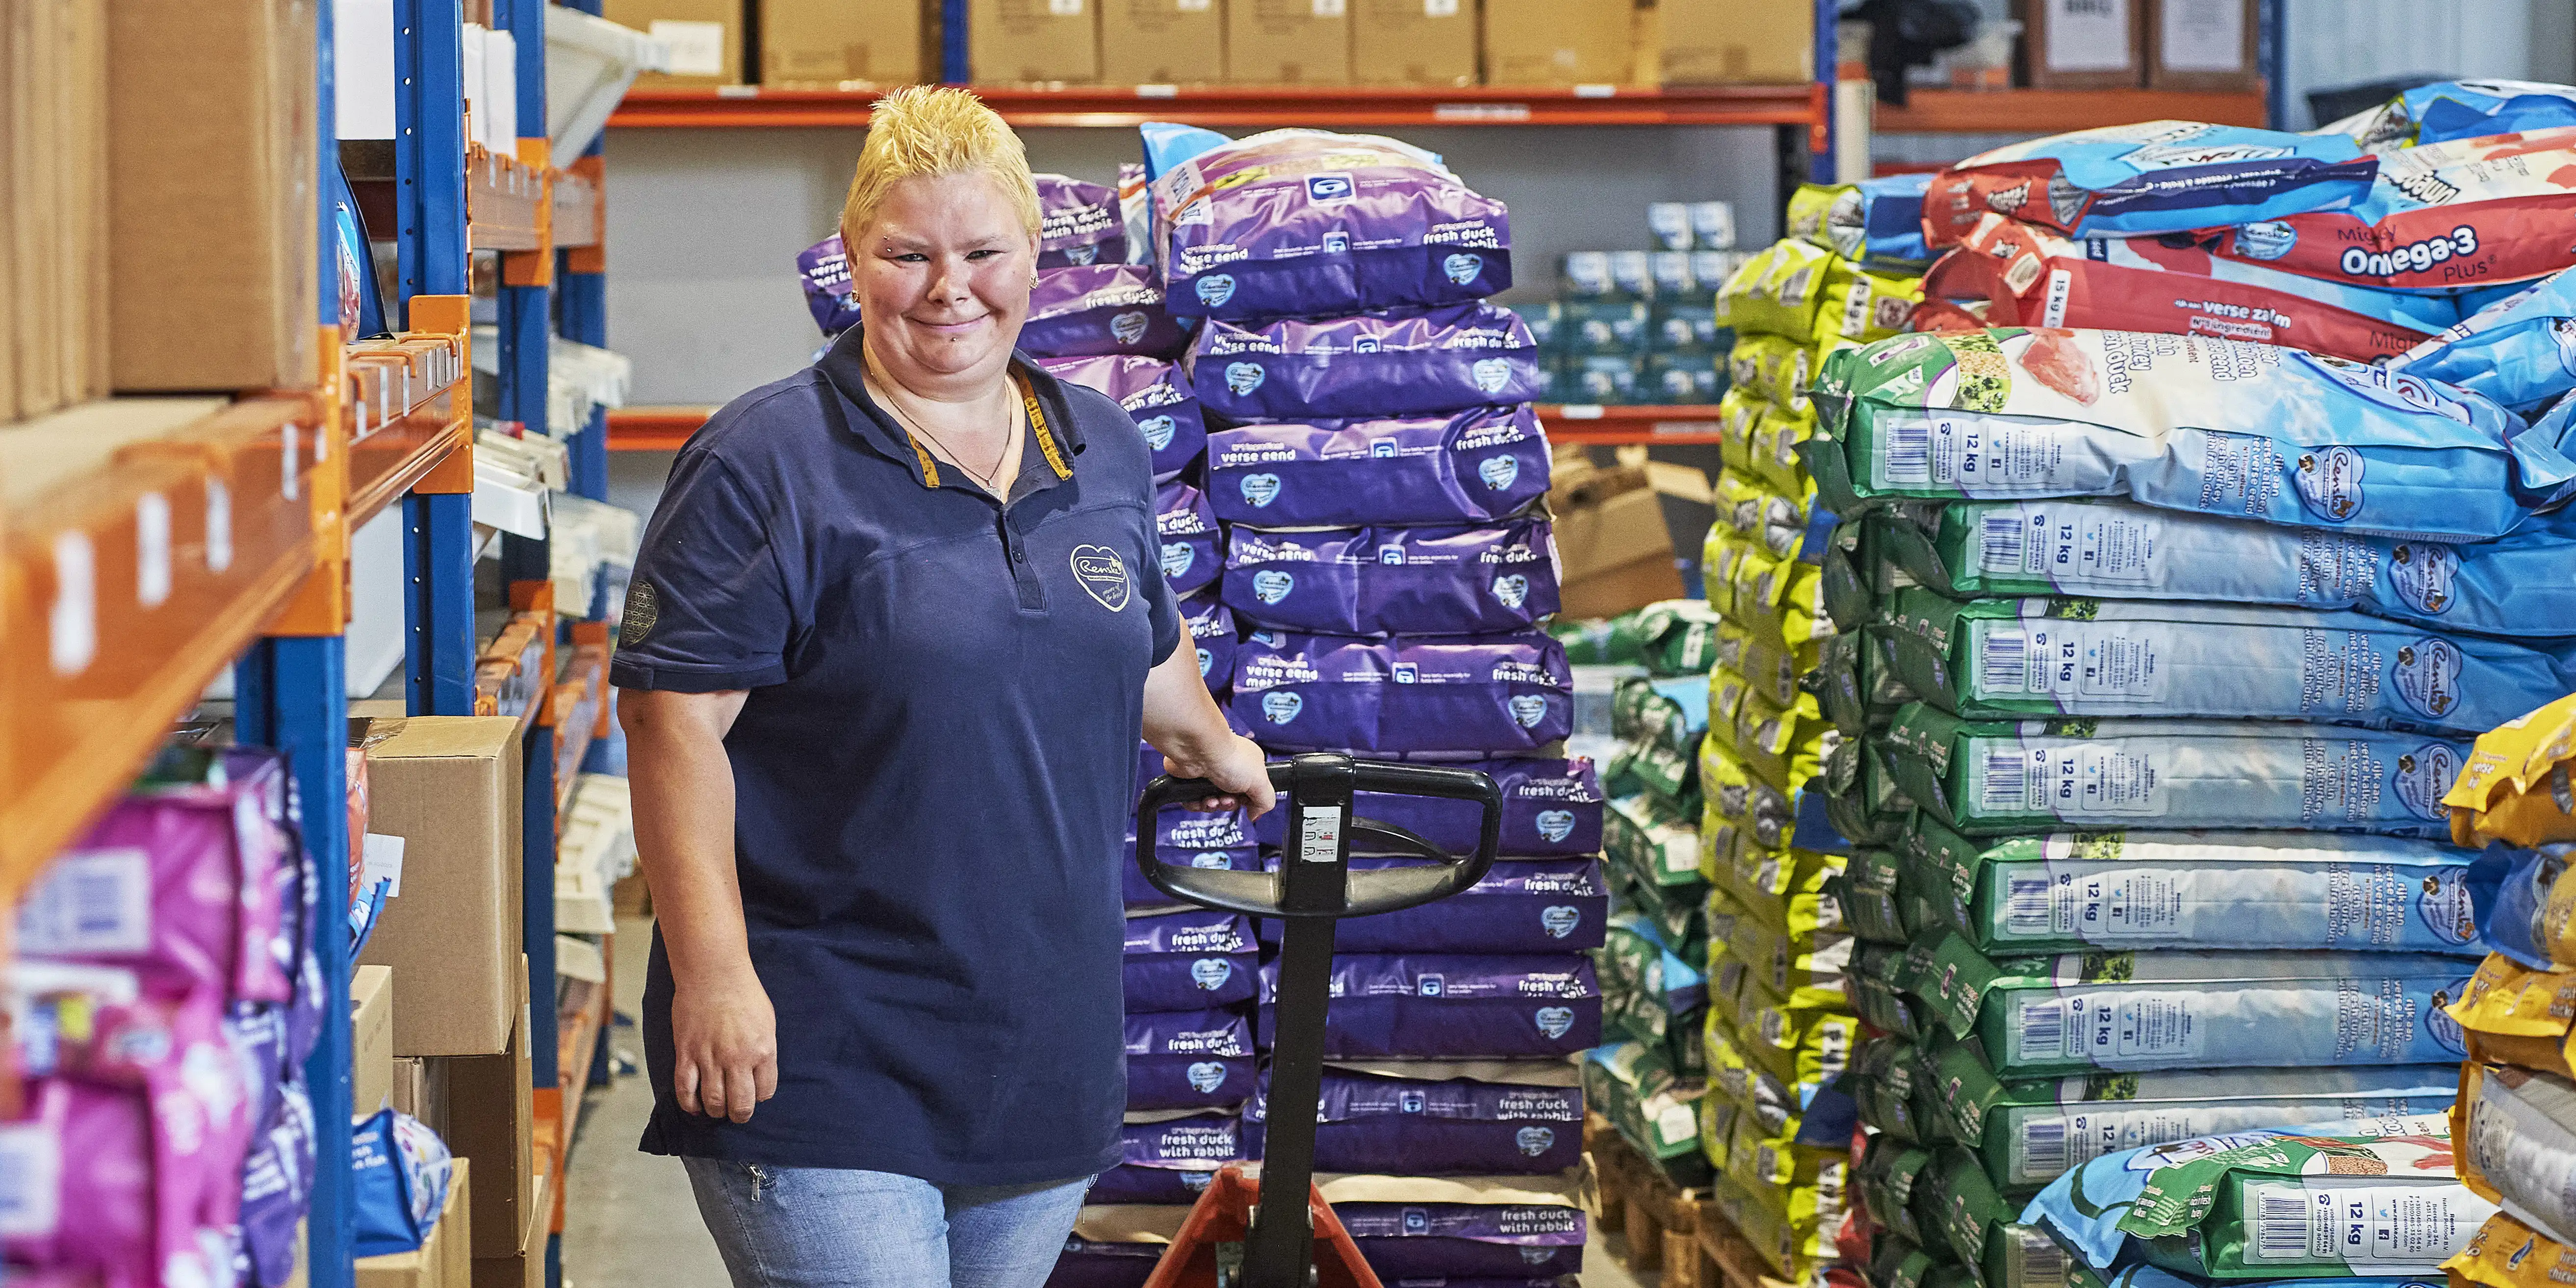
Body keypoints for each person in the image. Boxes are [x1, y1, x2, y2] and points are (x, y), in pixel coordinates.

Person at [610, 85, 1275, 1288]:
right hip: (821, 1041)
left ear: (1036, 257)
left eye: (982, 252)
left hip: (1037, 1043)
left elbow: (1135, 629)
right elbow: (672, 722)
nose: (947, 288)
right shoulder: (765, 463)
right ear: (854, 256)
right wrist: (711, 972)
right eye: (906, 253)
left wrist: (1215, 741)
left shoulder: (1100, 444)